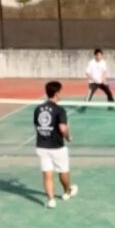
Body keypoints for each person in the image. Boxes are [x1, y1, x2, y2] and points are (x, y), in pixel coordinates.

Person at [34, 81, 78, 209]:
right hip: (57, 147)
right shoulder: (60, 110)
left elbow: (37, 125)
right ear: (57, 93)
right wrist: (68, 137)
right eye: (61, 92)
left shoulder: (38, 109)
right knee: (63, 171)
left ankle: (51, 200)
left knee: (47, 174)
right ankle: (67, 192)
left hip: (41, 146)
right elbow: (63, 128)